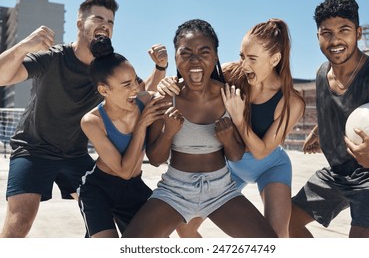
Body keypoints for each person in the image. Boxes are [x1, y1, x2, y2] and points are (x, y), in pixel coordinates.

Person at [0, 0, 168, 238]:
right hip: (34, 149)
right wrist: (25, 45)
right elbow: (3, 77)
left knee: (103, 208)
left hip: (76, 155)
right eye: (98, 18)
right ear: (80, 24)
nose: (106, 25)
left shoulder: (108, 68)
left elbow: (140, 93)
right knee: (21, 218)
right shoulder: (53, 57)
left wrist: (160, 67)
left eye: (110, 22)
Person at [122, 19, 277, 238]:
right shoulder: (165, 99)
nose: (195, 60)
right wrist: (168, 133)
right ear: (176, 57)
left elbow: (235, 155)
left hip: (221, 190)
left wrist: (227, 138)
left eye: (204, 52)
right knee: (130, 244)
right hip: (175, 190)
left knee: (269, 243)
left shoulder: (231, 96)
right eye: (185, 53)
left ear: (215, 57)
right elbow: (156, 159)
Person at [158, 18, 305, 238]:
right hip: (230, 167)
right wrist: (168, 82)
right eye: (242, 56)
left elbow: (261, 151)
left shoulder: (292, 102)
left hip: (271, 166)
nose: (244, 65)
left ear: (274, 59)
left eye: (253, 59)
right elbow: (193, 78)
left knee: (277, 235)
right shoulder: (231, 74)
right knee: (185, 227)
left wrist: (239, 119)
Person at [289, 0, 369, 238]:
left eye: (344, 30)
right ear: (317, 36)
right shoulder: (321, 73)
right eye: (326, 32)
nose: (335, 39)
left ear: (358, 33)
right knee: (285, 222)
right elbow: (343, 109)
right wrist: (318, 131)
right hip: (338, 173)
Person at [77, 36, 170, 238]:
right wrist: (142, 125)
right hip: (99, 190)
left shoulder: (142, 101)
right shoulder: (92, 121)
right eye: (126, 85)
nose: (135, 89)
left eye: (135, 80)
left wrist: (161, 67)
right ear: (104, 90)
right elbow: (124, 171)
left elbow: (155, 90)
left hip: (134, 188)